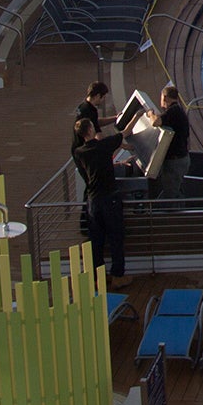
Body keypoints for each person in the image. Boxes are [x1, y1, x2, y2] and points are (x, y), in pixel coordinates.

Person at [72, 94, 127, 283]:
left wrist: (116, 165)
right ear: (90, 130)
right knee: (116, 238)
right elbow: (124, 134)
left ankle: (98, 277)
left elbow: (97, 166)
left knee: (96, 240)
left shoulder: (80, 153)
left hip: (93, 200)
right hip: (109, 198)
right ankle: (118, 276)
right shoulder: (102, 146)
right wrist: (140, 115)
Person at [153, 84, 192, 199]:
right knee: (174, 190)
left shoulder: (174, 111)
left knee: (171, 194)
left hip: (175, 162)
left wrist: (150, 114)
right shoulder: (177, 111)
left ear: (165, 98)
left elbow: (156, 122)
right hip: (180, 159)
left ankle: (173, 214)